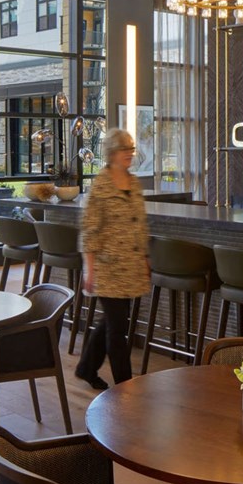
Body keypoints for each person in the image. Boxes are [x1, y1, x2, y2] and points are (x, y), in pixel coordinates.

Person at [75, 128, 150, 390]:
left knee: (112, 321)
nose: (130, 154)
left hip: (130, 267)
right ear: (112, 153)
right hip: (108, 268)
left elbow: (140, 225)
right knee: (118, 329)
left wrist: (145, 258)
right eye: (124, 150)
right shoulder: (100, 187)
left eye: (131, 149)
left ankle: (86, 368)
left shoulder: (134, 183)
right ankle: (125, 387)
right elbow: (90, 231)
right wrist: (90, 270)